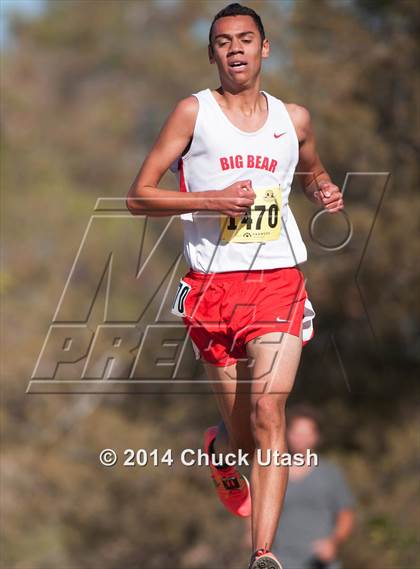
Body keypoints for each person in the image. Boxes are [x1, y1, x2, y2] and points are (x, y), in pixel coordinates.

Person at [126, 4, 344, 568]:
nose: (236, 50)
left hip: (278, 280)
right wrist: (211, 199)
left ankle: (263, 556)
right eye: (224, 42)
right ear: (212, 54)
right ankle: (222, 449)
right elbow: (138, 196)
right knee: (247, 437)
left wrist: (323, 190)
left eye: (246, 39)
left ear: (265, 48)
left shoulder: (292, 119)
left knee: (272, 411)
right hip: (213, 287)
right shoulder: (193, 114)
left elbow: (312, 167)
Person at [244, 405, 355, 569]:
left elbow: (346, 515)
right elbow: (255, 507)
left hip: (320, 563)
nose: (301, 438)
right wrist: (251, 536)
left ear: (316, 437)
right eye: (296, 433)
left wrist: (334, 542)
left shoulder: (330, 473)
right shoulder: (272, 473)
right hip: (279, 561)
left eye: (306, 434)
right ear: (287, 433)